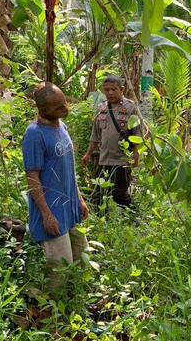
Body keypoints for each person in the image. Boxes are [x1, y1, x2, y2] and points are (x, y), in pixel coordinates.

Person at [23, 82, 89, 288]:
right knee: (60, 268)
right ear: (43, 110)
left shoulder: (62, 126)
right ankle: (50, 312)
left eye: (64, 103)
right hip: (51, 210)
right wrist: (46, 215)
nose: (65, 109)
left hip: (69, 207)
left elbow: (69, 169)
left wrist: (79, 199)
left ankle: (75, 304)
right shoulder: (34, 134)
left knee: (82, 258)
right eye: (58, 107)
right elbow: (32, 177)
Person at [81, 75, 141, 209]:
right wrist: (88, 154)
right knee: (99, 195)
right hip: (104, 160)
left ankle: (134, 218)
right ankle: (103, 223)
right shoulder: (101, 108)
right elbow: (95, 135)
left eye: (114, 89)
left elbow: (138, 134)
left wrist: (135, 155)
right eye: (107, 90)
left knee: (120, 195)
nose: (110, 93)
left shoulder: (130, 108)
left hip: (122, 161)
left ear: (122, 89)